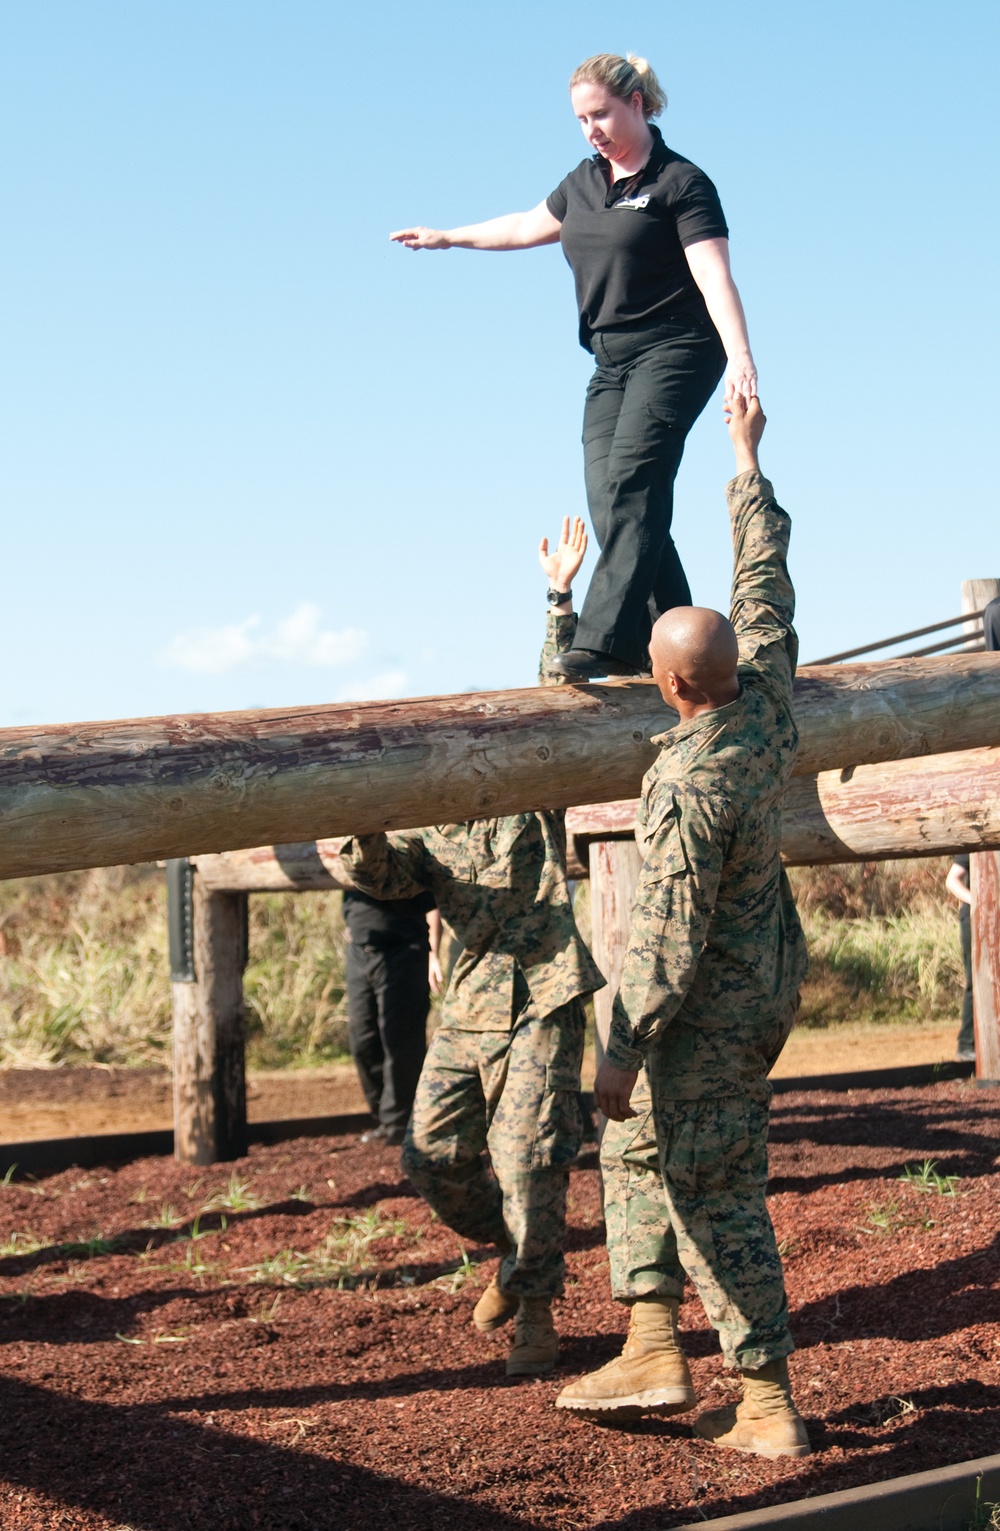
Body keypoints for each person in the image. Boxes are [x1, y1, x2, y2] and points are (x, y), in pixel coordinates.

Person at [555, 395, 812, 1461]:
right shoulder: (766, 705)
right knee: (640, 1155)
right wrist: (744, 466)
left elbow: (660, 942)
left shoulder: (685, 787)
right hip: (763, 988)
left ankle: (765, 1406)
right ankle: (653, 1344)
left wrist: (620, 1048)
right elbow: (766, 588)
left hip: (703, 1010)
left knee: (715, 1194)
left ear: (664, 687)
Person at [391, 53, 756, 682]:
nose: (592, 129)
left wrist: (742, 356)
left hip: (677, 347)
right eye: (581, 119)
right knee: (611, 501)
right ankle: (687, 652)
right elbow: (524, 226)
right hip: (610, 358)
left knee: (634, 485)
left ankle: (607, 640)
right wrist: (448, 236)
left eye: (602, 114)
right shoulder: (583, 182)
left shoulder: (680, 182)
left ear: (637, 104)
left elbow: (712, 272)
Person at [338, 520, 605, 1377]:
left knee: (531, 1155)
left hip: (547, 992)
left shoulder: (530, 794)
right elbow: (380, 875)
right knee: (433, 1156)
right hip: (468, 1006)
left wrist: (558, 595)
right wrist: (359, 813)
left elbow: (553, 698)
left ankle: (536, 1308)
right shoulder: (428, 830)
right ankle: (515, 1253)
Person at [342, 888, 442, 1145]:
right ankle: (385, 1119)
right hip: (359, 949)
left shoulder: (408, 847)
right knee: (361, 1040)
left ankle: (399, 1125)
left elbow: (433, 901)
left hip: (404, 948)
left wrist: (434, 955)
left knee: (401, 1040)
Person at [945, 856, 975, 1063]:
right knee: (977, 981)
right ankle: (966, 1045)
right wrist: (979, 900)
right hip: (975, 918)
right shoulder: (978, 837)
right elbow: (952, 880)